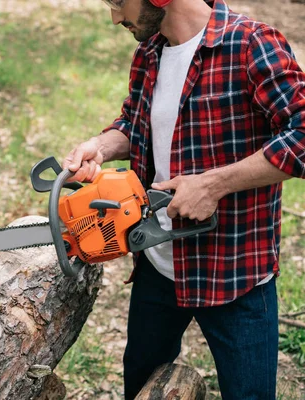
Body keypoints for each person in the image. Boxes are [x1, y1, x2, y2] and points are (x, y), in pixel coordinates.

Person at [61, 0, 305, 398]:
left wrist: (214, 184)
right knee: (140, 386)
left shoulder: (251, 45)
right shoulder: (149, 53)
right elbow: (136, 122)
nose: (115, 17)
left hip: (234, 272)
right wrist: (101, 146)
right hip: (157, 266)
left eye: (120, 3)